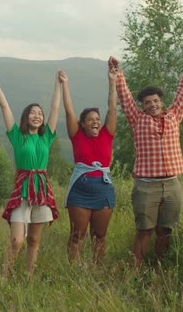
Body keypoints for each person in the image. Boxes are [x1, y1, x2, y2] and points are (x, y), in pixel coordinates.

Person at [109, 47, 183, 269]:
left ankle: (158, 269)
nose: (152, 105)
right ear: (142, 105)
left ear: (161, 101)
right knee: (144, 230)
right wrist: (116, 70)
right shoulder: (137, 119)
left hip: (172, 184)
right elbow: (124, 95)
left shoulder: (174, 115)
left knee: (165, 231)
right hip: (146, 186)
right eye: (148, 102)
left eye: (156, 101)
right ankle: (135, 273)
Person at [0, 70, 61, 277]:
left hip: (42, 191)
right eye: (33, 113)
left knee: (34, 240)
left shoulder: (47, 137)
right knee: (16, 240)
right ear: (26, 117)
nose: (37, 116)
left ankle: (29, 278)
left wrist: (59, 83)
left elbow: (56, 108)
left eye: (40, 114)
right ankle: (4, 277)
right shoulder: (18, 137)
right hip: (22, 190)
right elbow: (5, 107)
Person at [60, 68, 118, 264]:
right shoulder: (76, 135)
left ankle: (97, 271)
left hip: (103, 190)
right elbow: (69, 110)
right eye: (91, 120)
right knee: (77, 236)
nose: (95, 122)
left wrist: (112, 81)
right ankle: (73, 272)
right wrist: (65, 83)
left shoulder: (106, 134)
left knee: (99, 236)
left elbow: (112, 107)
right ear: (83, 124)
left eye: (97, 120)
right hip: (80, 191)